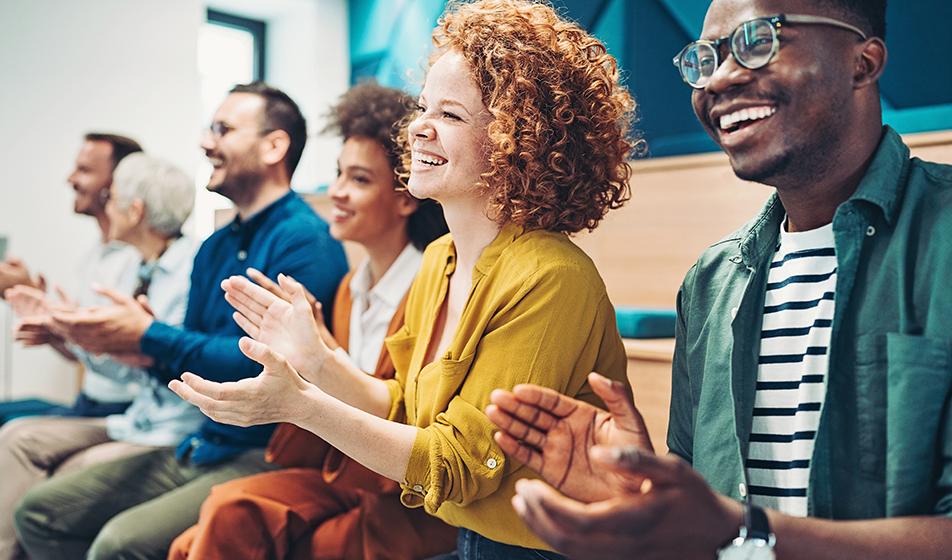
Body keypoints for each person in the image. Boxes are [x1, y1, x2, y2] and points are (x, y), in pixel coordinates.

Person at [169, 1, 636, 557]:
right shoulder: (440, 258)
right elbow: (404, 409)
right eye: (422, 107)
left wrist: (302, 404)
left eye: (451, 115)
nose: (418, 128)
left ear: (520, 142)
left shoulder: (552, 277)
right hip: (470, 535)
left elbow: (462, 465)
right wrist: (317, 359)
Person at [488, 0, 952, 558]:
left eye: (758, 39)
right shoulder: (711, 282)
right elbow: (708, 518)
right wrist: (643, 492)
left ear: (864, 61)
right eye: (704, 59)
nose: (721, 78)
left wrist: (745, 530)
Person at [14, 82, 348, 560]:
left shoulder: (304, 241)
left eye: (223, 129)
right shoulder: (215, 247)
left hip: (260, 450)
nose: (205, 142)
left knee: (117, 544)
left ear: (274, 146)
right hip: (203, 439)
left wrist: (150, 336)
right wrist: (137, 350)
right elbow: (191, 360)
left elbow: (267, 365)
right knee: (39, 513)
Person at [167, 80, 456, 560]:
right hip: (344, 469)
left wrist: (319, 360)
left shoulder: (430, 287)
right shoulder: (349, 288)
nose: (337, 193)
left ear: (406, 197)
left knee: (230, 516)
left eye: (359, 180)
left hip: (397, 486)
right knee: (195, 537)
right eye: (339, 174)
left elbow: (408, 419)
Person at [0, 153, 201, 560]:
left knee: (66, 479)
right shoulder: (135, 267)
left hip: (171, 428)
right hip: (136, 418)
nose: (108, 206)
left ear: (135, 209)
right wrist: (67, 332)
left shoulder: (195, 269)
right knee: (16, 436)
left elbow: (175, 362)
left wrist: (132, 346)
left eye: (114, 197)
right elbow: (125, 368)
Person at [0, 133, 143, 423]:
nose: (70, 179)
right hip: (87, 401)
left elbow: (109, 351)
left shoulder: (138, 260)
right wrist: (30, 302)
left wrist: (43, 306)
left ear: (116, 184)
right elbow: (77, 352)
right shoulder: (96, 254)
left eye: (85, 170)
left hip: (119, 408)